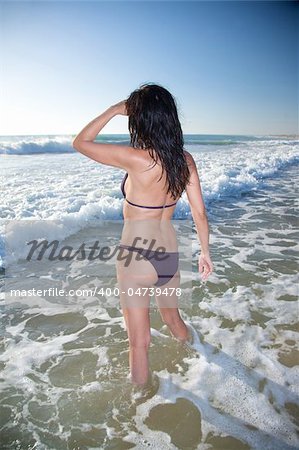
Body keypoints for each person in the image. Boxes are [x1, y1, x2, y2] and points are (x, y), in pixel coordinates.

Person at [72, 82, 213, 386]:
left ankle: (138, 407)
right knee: (173, 320)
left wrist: (113, 110)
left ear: (141, 119)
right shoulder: (184, 159)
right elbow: (199, 213)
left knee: (139, 342)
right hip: (168, 255)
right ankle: (204, 359)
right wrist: (205, 253)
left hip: (136, 256)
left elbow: (81, 142)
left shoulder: (136, 158)